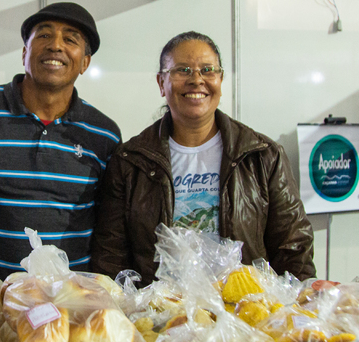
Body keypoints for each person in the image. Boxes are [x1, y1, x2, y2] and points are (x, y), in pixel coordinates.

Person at [90, 31, 314, 285]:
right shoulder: (130, 162)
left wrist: (299, 307)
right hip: (160, 318)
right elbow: (111, 257)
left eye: (208, 70)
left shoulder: (262, 155)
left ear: (220, 80)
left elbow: (293, 248)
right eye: (182, 70)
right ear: (161, 83)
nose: (196, 80)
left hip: (244, 316)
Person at [0, 2, 121, 279]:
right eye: (44, 35)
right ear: (25, 53)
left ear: (85, 62)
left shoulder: (103, 133)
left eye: (70, 39)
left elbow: (106, 219)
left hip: (71, 295)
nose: (56, 46)